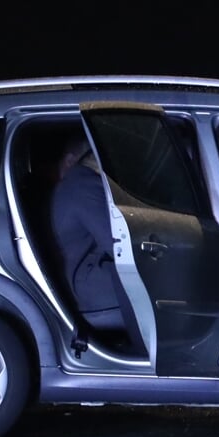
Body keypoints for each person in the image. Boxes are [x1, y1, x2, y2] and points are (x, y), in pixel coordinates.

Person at [49, 132, 132, 338]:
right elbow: (119, 245)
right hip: (93, 293)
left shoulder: (69, 186)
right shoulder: (82, 183)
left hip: (79, 285)